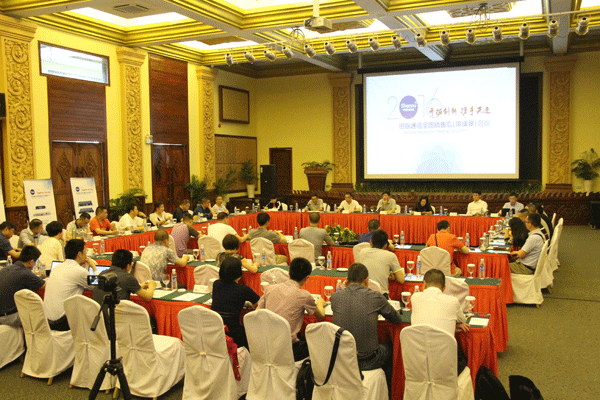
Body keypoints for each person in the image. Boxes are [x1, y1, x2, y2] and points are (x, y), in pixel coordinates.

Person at [331, 263, 401, 379]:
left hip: (342, 358)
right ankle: (385, 387)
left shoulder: (335, 297)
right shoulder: (375, 297)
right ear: (367, 281)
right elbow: (396, 319)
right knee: (390, 349)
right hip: (368, 360)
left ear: (346, 281)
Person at [258, 257, 326, 361]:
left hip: (266, 345)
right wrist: (320, 303)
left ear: (289, 273)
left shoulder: (270, 289)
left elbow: (257, 312)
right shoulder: (304, 295)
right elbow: (320, 316)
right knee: (319, 345)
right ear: (307, 278)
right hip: (289, 349)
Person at [410, 269, 469, 374]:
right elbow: (462, 320)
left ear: (424, 284)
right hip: (445, 365)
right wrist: (453, 324)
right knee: (463, 357)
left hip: (418, 363)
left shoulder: (414, 298)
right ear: (444, 288)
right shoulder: (453, 301)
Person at [44, 239, 98, 331]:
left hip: (47, 320)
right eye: (85, 251)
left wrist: (85, 269)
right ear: (79, 254)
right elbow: (96, 285)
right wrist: (94, 267)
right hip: (62, 322)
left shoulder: (57, 267)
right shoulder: (78, 271)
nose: (86, 254)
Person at [211, 257, 260, 349]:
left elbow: (227, 299)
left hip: (215, 331)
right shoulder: (243, 289)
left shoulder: (216, 284)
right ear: (239, 273)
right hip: (234, 334)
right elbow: (260, 302)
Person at [0, 246, 45, 327]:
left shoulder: (5, 269)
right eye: (36, 261)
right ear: (31, 262)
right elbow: (44, 286)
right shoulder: (26, 273)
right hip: (10, 317)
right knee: (42, 313)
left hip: (2, 315)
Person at [92, 249, 157, 303]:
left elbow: (121, 286)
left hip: (99, 312)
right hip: (116, 313)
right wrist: (152, 286)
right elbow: (147, 297)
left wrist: (139, 286)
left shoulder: (102, 273)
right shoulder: (128, 277)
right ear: (128, 266)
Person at [359, 229, 405, 296]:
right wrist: (393, 277)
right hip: (381, 296)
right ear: (386, 245)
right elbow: (401, 279)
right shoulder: (391, 256)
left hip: (363, 295)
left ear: (370, 242)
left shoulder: (362, 252)